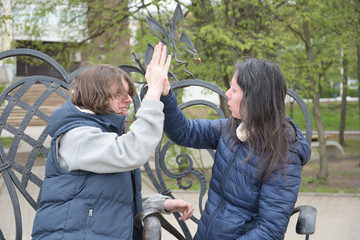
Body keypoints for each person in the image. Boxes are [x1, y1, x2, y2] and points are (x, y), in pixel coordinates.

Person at [31, 43, 193, 240]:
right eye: (119, 94)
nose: (128, 100)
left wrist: (157, 204)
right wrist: (153, 92)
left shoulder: (101, 133)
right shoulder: (77, 136)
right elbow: (132, 151)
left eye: (128, 94)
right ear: (95, 95)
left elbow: (102, 200)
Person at [148, 49, 311, 239]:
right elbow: (185, 132)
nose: (227, 94)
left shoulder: (284, 154)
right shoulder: (233, 128)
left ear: (254, 98)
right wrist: (166, 94)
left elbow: (269, 232)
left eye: (234, 90)